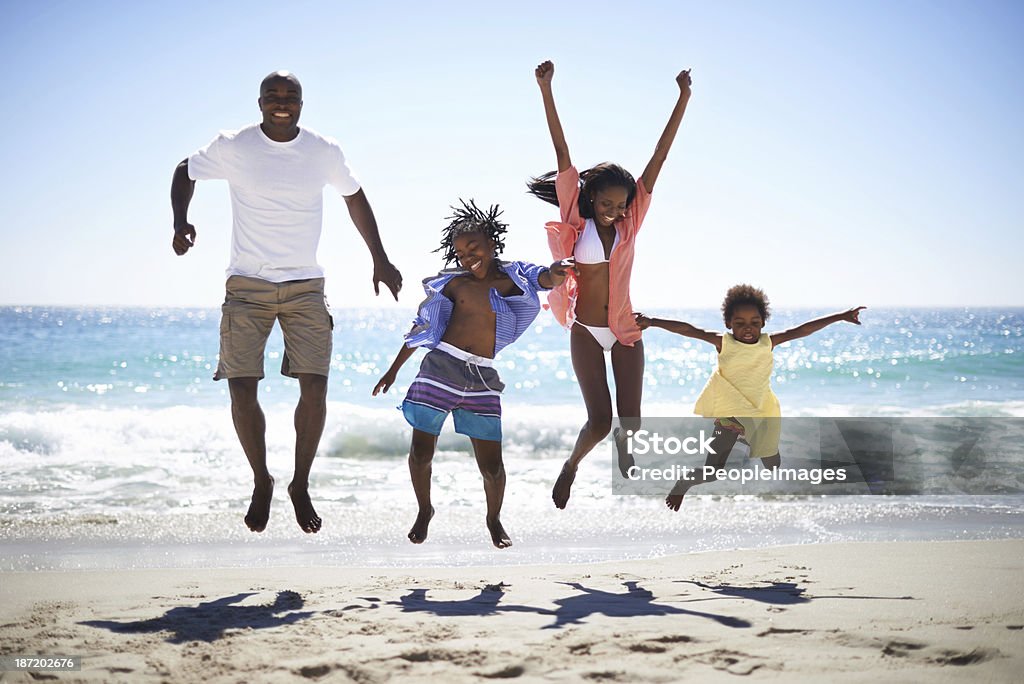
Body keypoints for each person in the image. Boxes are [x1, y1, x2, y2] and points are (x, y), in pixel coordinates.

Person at [170, 70, 402, 534]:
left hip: (305, 287)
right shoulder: (235, 146)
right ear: (259, 102)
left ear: (301, 102)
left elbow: (355, 198)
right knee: (241, 389)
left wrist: (380, 257)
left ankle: (300, 483)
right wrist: (180, 222)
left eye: (290, 95)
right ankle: (262, 480)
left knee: (315, 388)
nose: (281, 102)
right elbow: (184, 170)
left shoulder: (322, 151)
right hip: (247, 286)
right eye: (273, 95)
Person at [527, 60, 692, 508]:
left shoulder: (630, 225)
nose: (615, 210)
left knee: (632, 423)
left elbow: (658, 159)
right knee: (599, 423)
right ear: (592, 197)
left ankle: (628, 458)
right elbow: (564, 155)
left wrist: (683, 99)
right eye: (607, 202)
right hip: (585, 328)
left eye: (621, 205)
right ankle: (571, 467)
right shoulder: (574, 223)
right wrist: (546, 90)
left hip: (623, 330)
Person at [372, 201, 572, 548]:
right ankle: (424, 509)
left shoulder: (514, 278)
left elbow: (544, 278)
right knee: (421, 454)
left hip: (482, 377)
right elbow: (422, 328)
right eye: (461, 252)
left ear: (492, 241)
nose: (467, 257)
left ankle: (494, 519)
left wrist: (560, 270)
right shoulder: (455, 286)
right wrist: (393, 371)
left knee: (492, 466)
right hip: (439, 369)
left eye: (474, 247)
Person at [635, 284, 865, 509]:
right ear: (728, 324)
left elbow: (803, 330)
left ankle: (748, 439)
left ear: (763, 323)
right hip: (731, 416)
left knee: (773, 464)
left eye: (755, 323)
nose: (748, 328)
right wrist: (653, 322)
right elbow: (688, 330)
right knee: (712, 471)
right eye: (740, 323)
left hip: (761, 413)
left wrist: (840, 316)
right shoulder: (723, 343)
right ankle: (683, 484)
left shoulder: (768, 343)